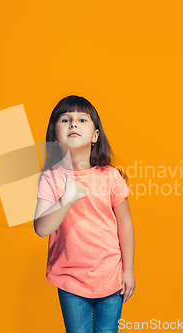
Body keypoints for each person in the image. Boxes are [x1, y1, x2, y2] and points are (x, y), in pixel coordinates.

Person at [34, 95, 136, 333]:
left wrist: (128, 270)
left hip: (111, 275)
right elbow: (41, 228)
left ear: (95, 136)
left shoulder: (110, 176)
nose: (73, 124)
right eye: (65, 119)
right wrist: (66, 199)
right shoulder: (51, 178)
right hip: (70, 279)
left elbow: (126, 224)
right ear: (55, 137)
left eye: (81, 119)